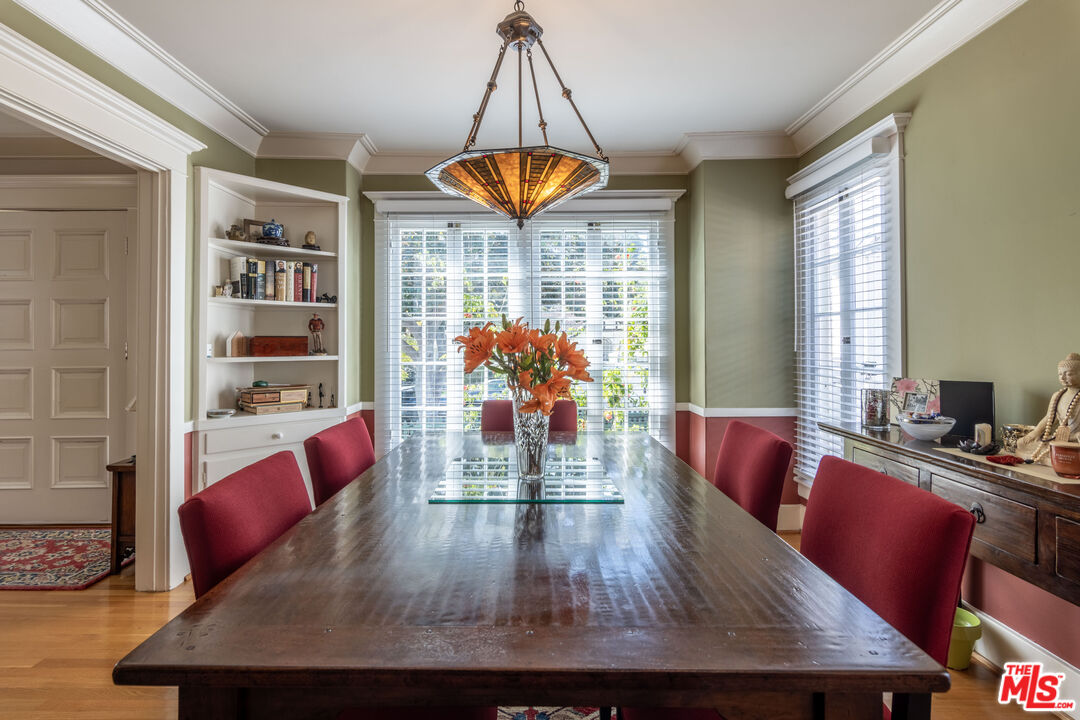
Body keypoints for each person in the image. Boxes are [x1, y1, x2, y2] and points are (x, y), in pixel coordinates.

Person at [1018, 353, 1080, 464]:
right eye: (1060, 374)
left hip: (1076, 440)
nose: (1062, 378)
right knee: (1021, 443)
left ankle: (1061, 457)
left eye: (1068, 374)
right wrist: (1035, 433)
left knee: (1066, 451)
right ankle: (1058, 456)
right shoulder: (1058, 395)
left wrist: (1076, 436)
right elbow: (1049, 418)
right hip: (1059, 439)